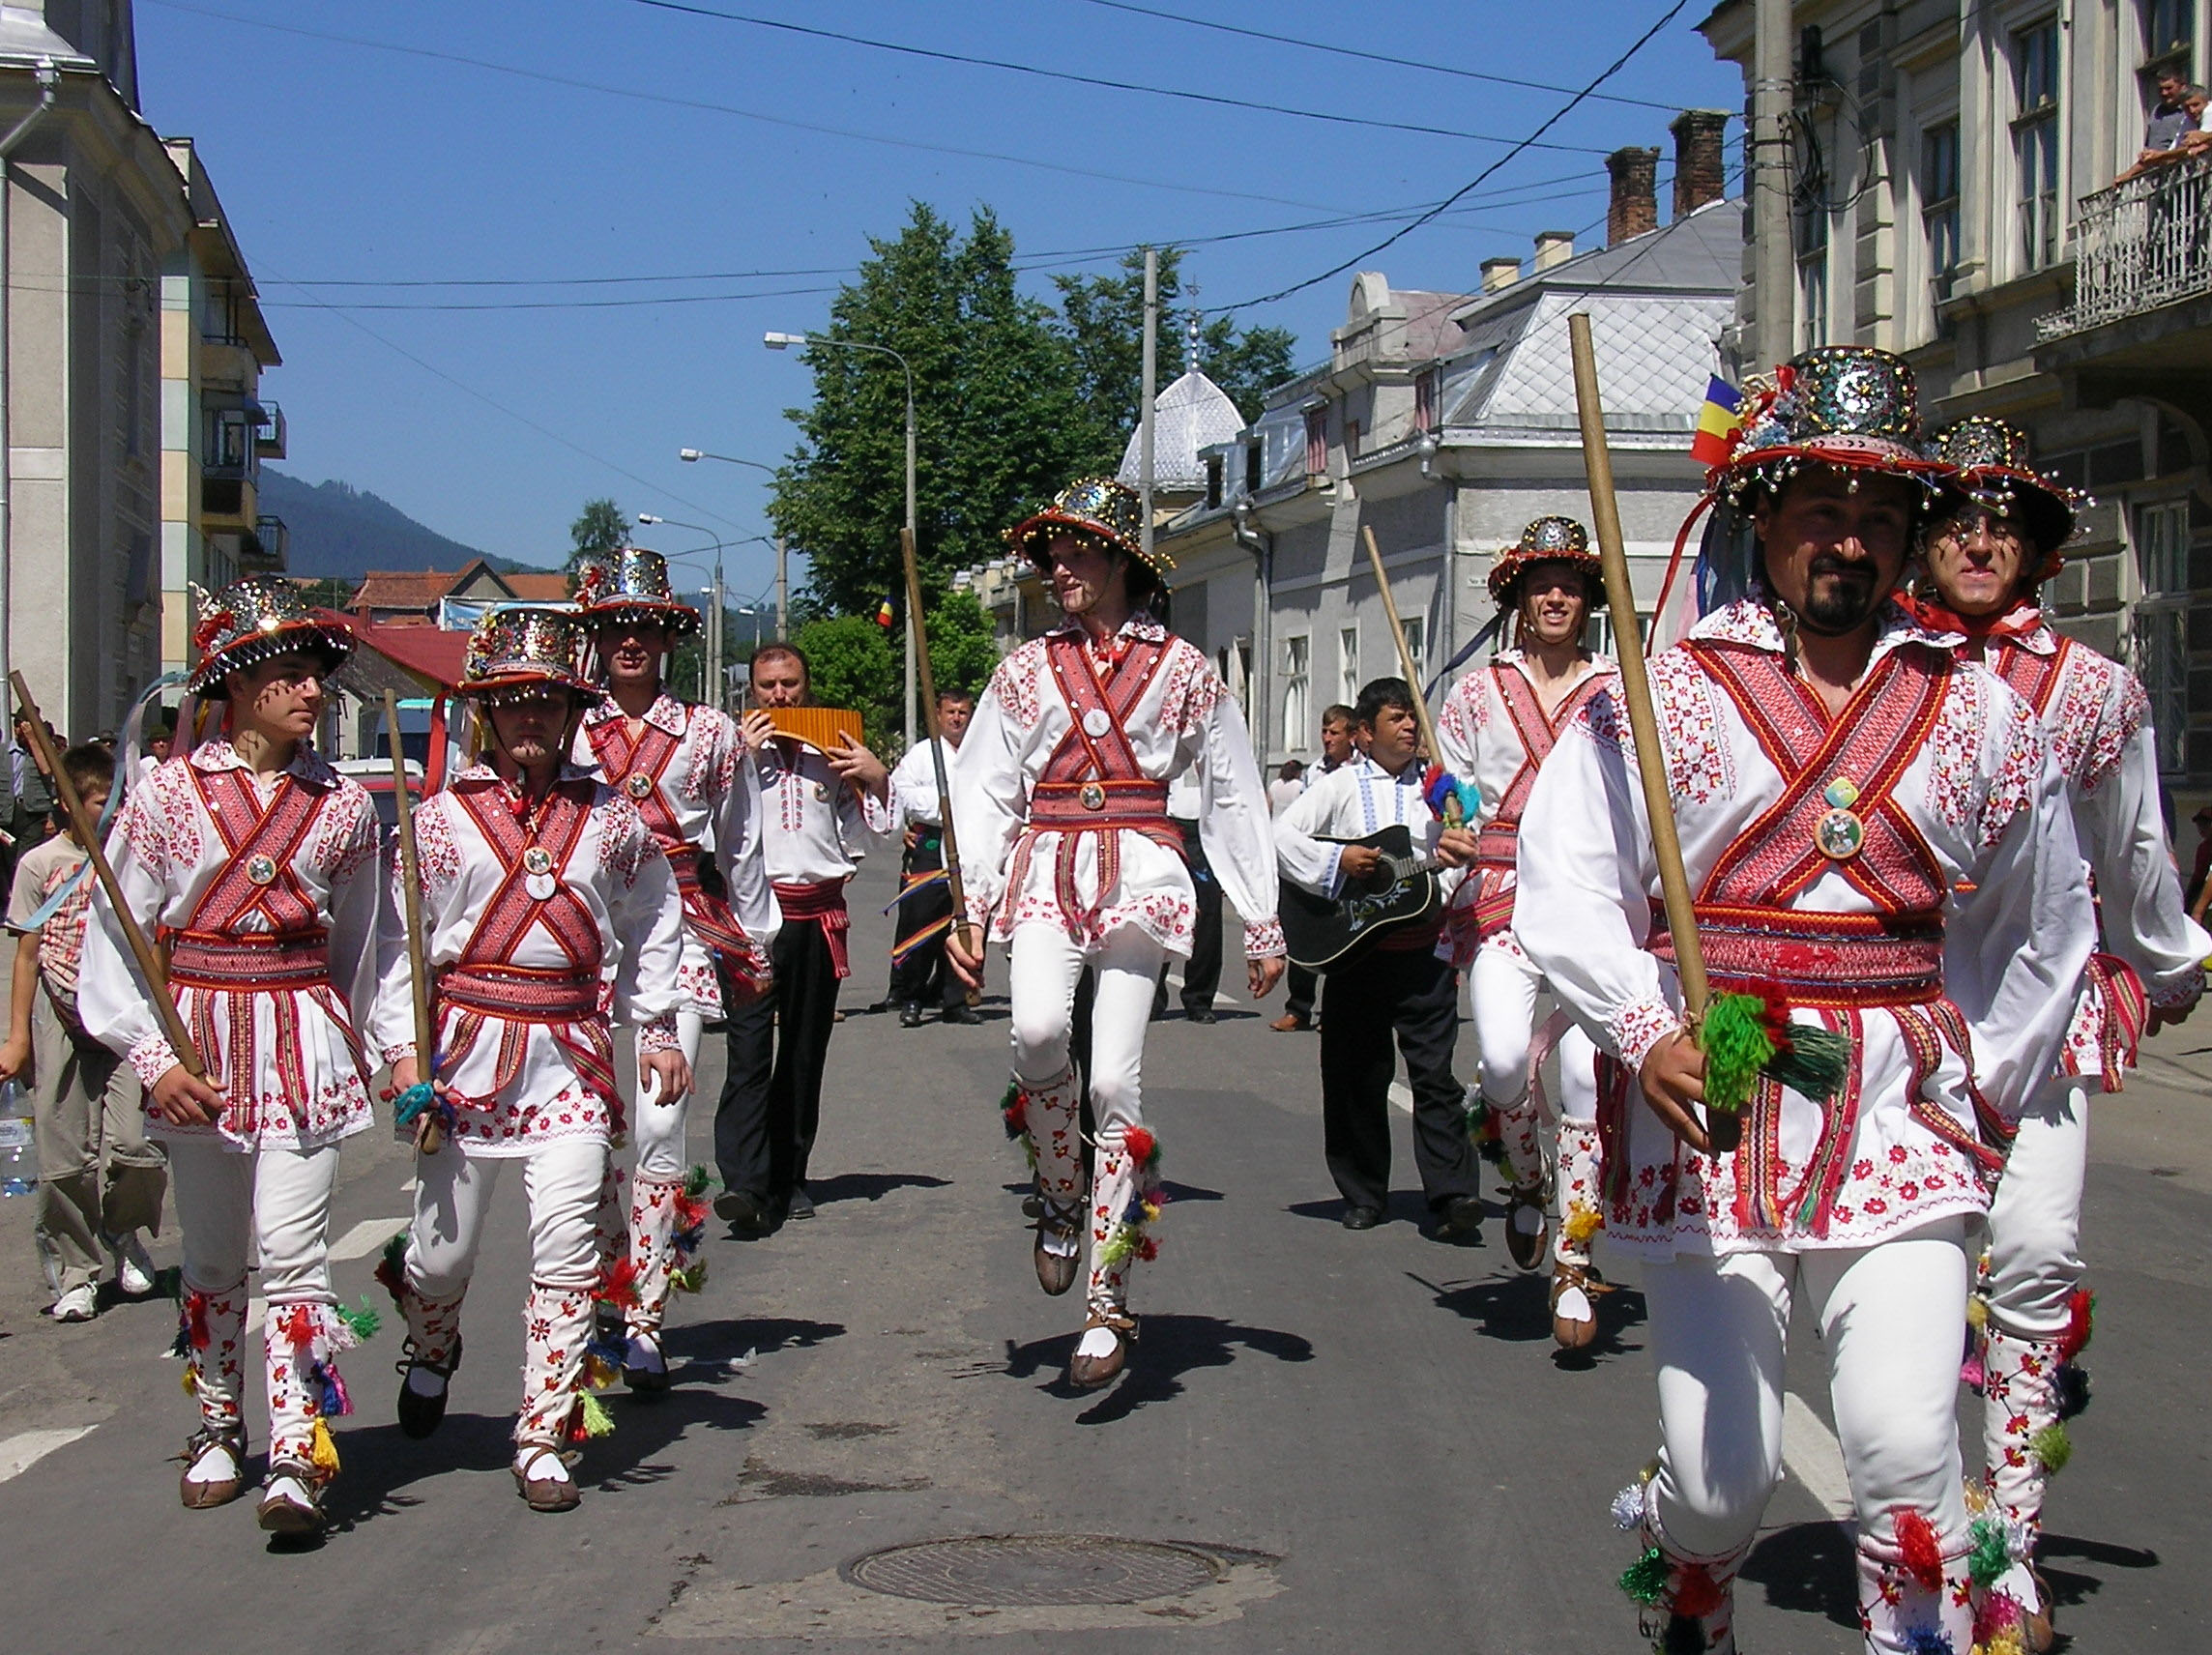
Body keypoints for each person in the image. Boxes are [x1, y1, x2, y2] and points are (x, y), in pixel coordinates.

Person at [1514, 347, 2091, 1655]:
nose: (1851, 540)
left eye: (1882, 515)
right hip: (1721, 1061)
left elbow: (2043, 923)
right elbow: (1565, 880)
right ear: (1763, 520)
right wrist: (1643, 1024)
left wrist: (1984, 1077)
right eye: (1823, 510)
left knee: (1898, 1446)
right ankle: (1694, 1575)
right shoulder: (1659, 700)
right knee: (1724, 1483)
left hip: (1900, 1091)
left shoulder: (1983, 714)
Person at [1913, 416, 2207, 1648]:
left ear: (2034, 549)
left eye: (2005, 523)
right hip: (1903, 1019)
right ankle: (1913, 1522)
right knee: (1912, 1286)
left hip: (2042, 1021)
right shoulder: (1881, 671)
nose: (1978, 540)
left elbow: (2132, 847)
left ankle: (2009, 1546)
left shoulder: (2094, 689)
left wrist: (2169, 958)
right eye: (1955, 519)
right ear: (1920, 542)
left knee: (2032, 1262)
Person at [946, 478, 1285, 1389]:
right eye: (1050, 557)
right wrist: (971, 907)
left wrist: (1259, 917)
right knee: (1038, 1034)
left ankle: (1108, 1295)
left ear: (1125, 564)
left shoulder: (1185, 671)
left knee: (1114, 1077)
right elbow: (983, 788)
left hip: (1141, 870)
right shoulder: (1022, 670)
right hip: (1046, 866)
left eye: (1078, 553)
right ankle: (1059, 1192)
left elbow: (1229, 791)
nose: (1059, 569)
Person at [78, 577, 387, 1537]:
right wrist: (149, 1056)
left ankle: (299, 1449)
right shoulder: (167, 795)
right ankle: (217, 1423)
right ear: (240, 686)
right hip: (197, 1041)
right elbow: (114, 936)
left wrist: (358, 1037)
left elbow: (361, 945)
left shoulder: (345, 807)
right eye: (291, 675)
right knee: (212, 1252)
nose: (310, 693)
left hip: (299, 1035)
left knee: (294, 1251)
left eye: (316, 678)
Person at [373, 607, 691, 1514]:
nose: (529, 720)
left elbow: (654, 920)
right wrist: (404, 1060)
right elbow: (400, 948)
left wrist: (658, 1029)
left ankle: (542, 1430)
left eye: (546, 704)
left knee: (568, 1248)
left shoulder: (612, 819)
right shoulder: (437, 822)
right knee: (441, 1259)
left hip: (572, 1059)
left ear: (568, 712)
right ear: (487, 713)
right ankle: (433, 1344)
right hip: (465, 1060)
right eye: (512, 703)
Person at [573, 549, 774, 1393]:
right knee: (587, 1136)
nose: (630, 639)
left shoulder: (712, 733)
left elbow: (741, 841)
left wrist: (756, 939)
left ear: (668, 636)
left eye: (645, 625)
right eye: (615, 625)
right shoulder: (567, 726)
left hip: (684, 935)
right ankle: (593, 1291)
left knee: (659, 1124)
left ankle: (646, 1313)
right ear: (595, 635)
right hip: (577, 938)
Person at [1435, 516, 1620, 1342]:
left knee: (1583, 1078)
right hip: (1500, 893)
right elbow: (1446, 793)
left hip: (1589, 895)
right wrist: (1443, 828)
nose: (1556, 596)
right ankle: (1524, 1179)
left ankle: (1576, 1263)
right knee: (1504, 1060)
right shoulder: (1476, 691)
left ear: (1588, 601)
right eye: (1541, 584)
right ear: (1516, 598)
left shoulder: (1622, 691)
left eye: (1571, 585)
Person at [1274, 677, 1483, 1235]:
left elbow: (1464, 854)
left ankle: (1453, 1197)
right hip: (1356, 953)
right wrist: (1337, 861)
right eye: (1397, 718)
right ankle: (1364, 1192)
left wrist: (1457, 851)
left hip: (1424, 953)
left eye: (1413, 717)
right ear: (1365, 733)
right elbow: (1280, 836)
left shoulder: (1442, 790)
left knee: (1435, 1075)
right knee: (1354, 1076)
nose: (1411, 726)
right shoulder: (1338, 785)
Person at [713, 641, 891, 1230]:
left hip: (817, 918)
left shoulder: (831, 751)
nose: (780, 696)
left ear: (805, 687)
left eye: (790, 684)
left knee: (803, 1056)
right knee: (748, 1052)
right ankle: (744, 1183)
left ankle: (789, 1177)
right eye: (768, 687)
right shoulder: (730, 754)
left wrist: (876, 780)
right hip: (750, 923)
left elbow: (869, 834)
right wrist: (736, 759)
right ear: (751, 691)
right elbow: (706, 825)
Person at [0, 741, 164, 1321]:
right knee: (63, 1150)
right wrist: (16, 1036)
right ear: (70, 804)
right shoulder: (40, 866)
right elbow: (26, 955)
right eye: (99, 800)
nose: (112, 808)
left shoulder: (129, 859)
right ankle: (75, 1270)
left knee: (135, 1145)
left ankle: (122, 1233)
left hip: (121, 1012)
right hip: (60, 1010)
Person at [885, 687, 979, 1029]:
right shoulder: (923, 754)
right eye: (951, 712)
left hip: (969, 843)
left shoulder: (980, 752)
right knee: (921, 921)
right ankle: (911, 997)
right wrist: (943, 804)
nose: (956, 718)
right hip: (931, 840)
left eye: (963, 712)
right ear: (938, 715)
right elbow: (899, 793)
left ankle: (955, 999)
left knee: (964, 921)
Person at [1271, 705, 1356, 1034]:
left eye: (1334, 733)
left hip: (1348, 860)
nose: (1327, 739)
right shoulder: (1315, 771)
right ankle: (1299, 1007)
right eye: (1324, 732)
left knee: (1344, 938)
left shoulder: (1359, 770)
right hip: (1313, 858)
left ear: (1352, 736)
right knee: (1304, 935)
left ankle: (1337, 1010)